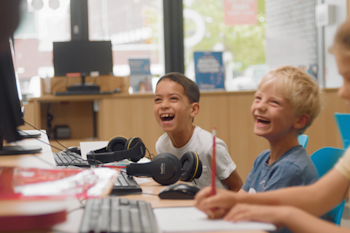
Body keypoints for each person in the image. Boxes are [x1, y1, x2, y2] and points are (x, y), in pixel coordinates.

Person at [195, 18, 350, 233]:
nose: (342, 92)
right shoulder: (263, 159)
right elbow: (318, 196)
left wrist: (282, 213)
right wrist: (232, 201)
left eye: (349, 79)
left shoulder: (292, 167)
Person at [238, 66, 321, 197]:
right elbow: (239, 201)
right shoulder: (263, 158)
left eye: (274, 102)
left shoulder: (289, 168)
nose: (260, 106)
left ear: (299, 120)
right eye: (258, 98)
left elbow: (260, 215)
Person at [154, 72, 243, 191]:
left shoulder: (211, 147)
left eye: (173, 98)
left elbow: (238, 187)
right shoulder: (162, 145)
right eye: (158, 99)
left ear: (193, 109)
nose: (163, 105)